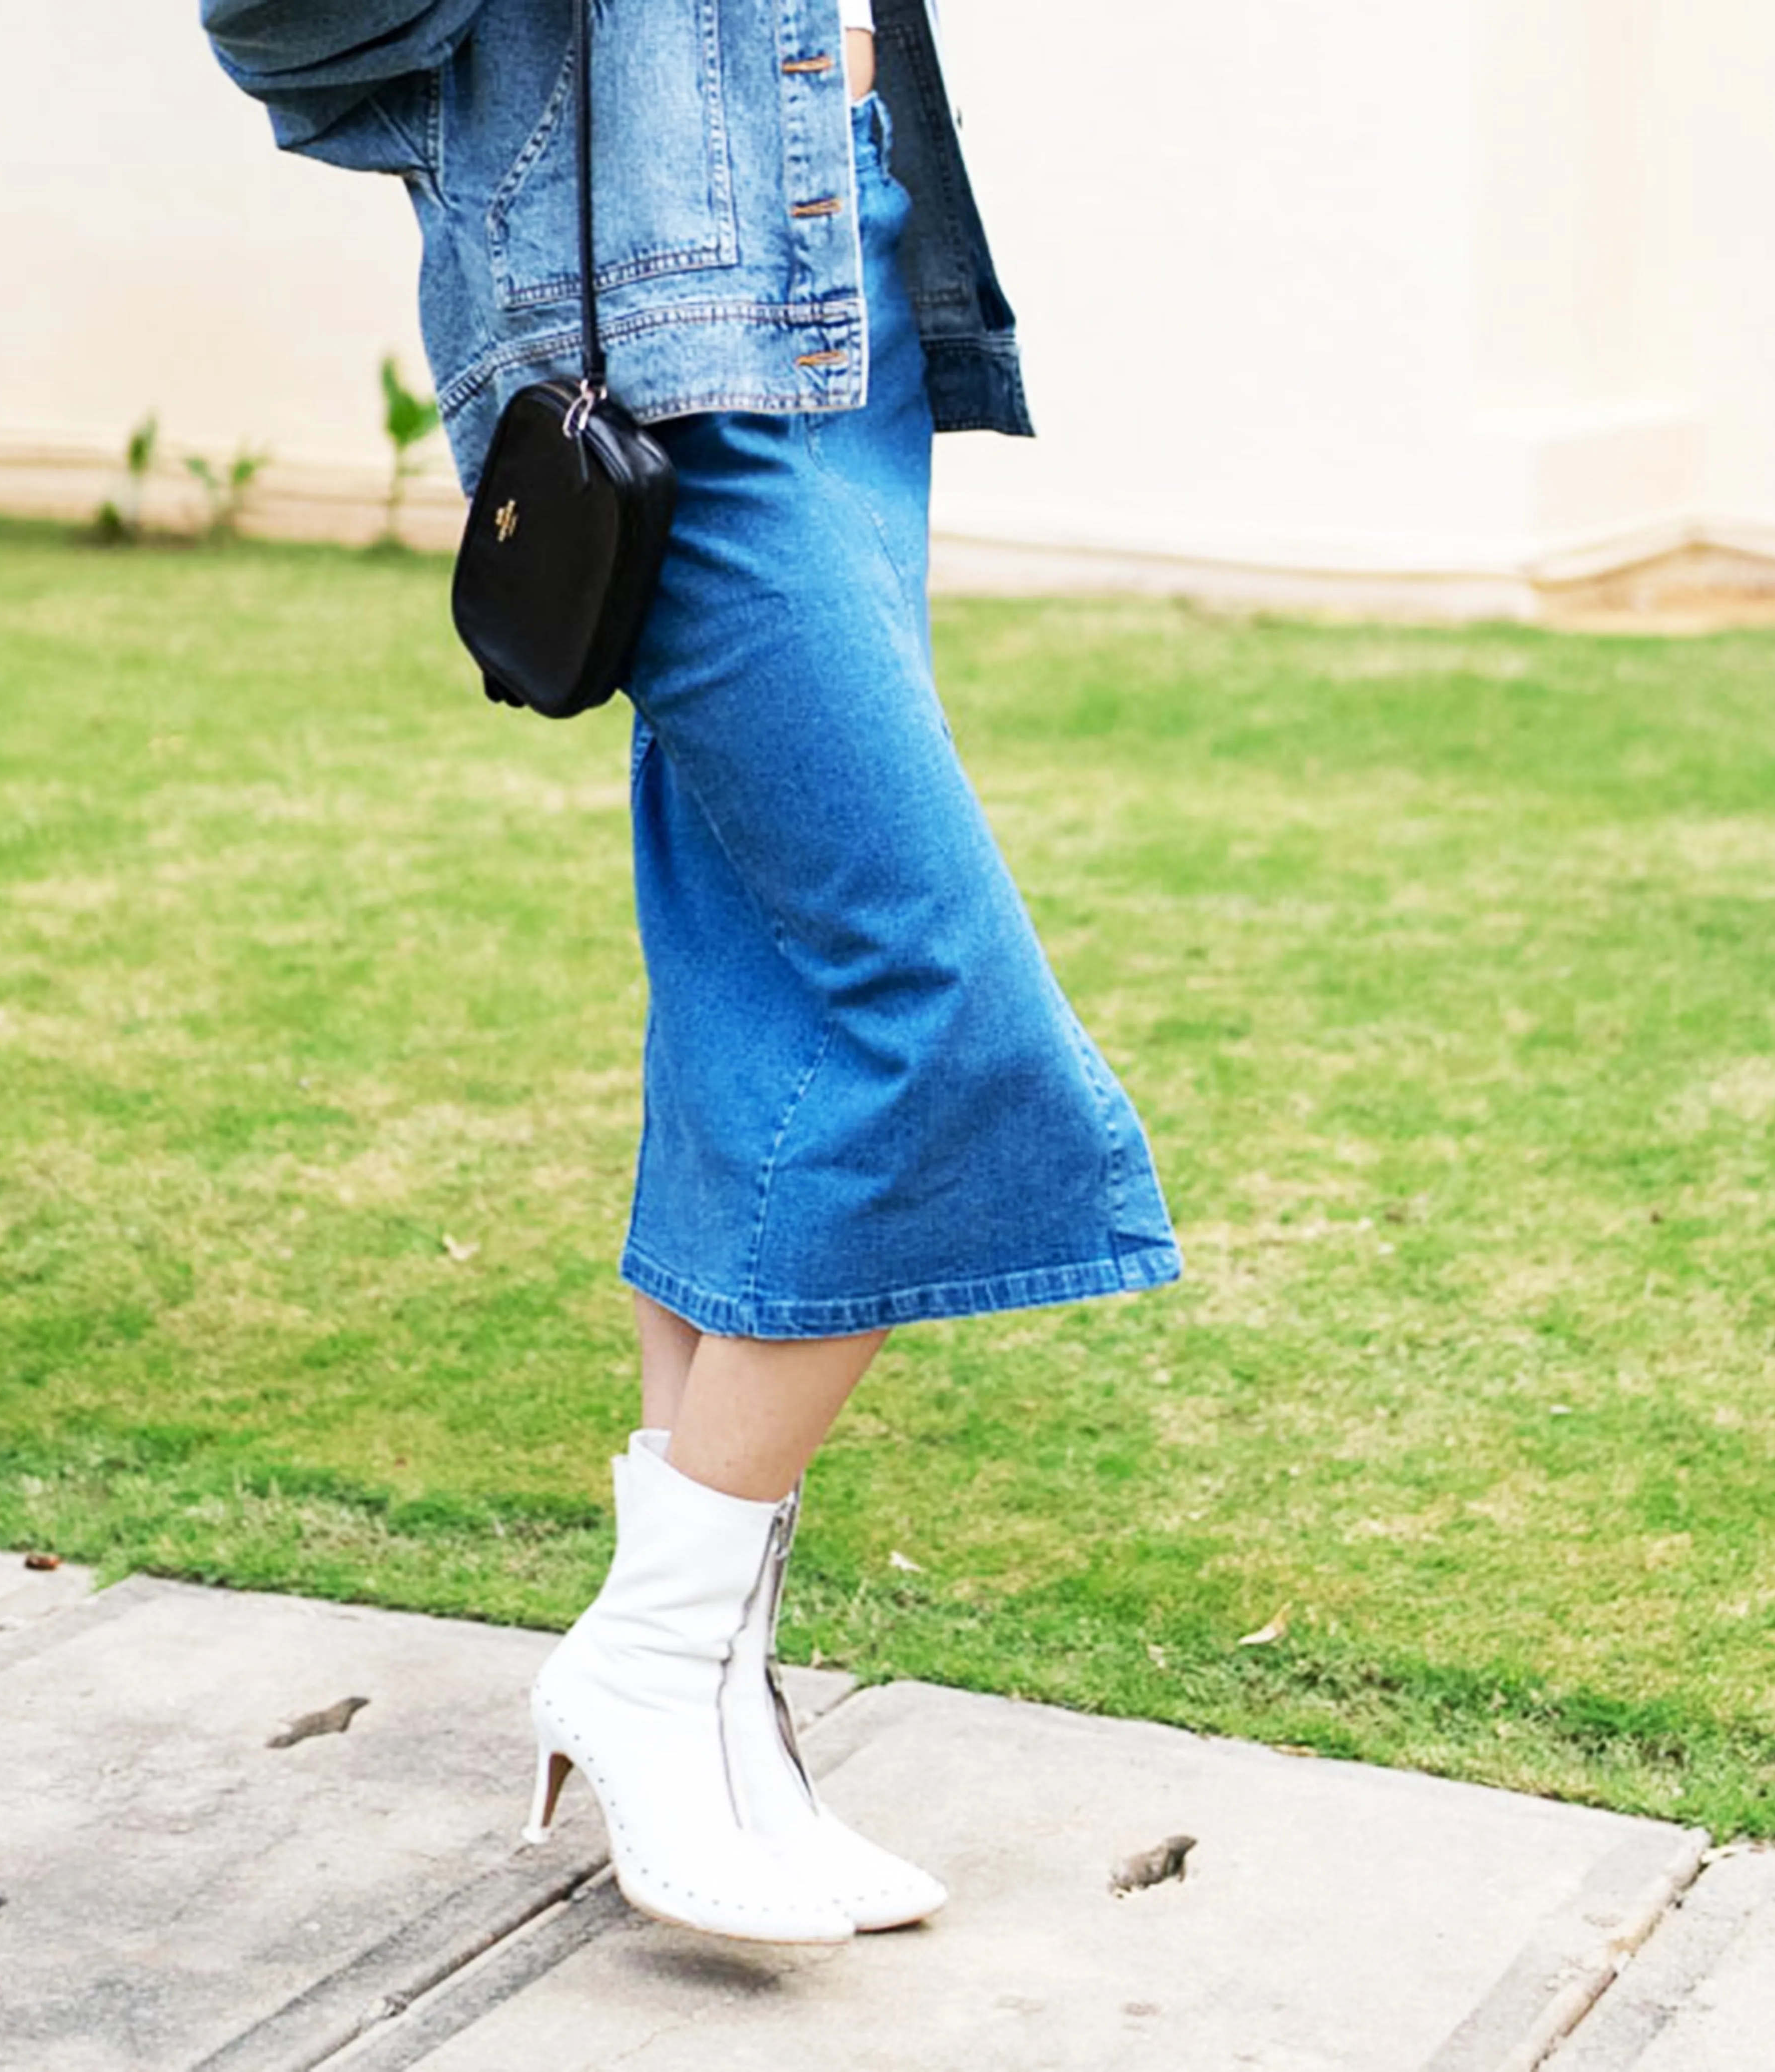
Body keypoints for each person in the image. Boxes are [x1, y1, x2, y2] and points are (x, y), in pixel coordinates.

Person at [203, 0, 1180, 1945]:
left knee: (760, 1002)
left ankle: (716, 1718)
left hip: (853, 281)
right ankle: (650, 1664)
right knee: (939, 1015)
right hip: (669, 354)